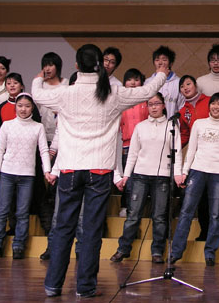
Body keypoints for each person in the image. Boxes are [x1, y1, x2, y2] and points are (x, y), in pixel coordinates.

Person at [34, 44, 168, 298]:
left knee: (63, 227)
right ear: (101, 65)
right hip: (99, 169)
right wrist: (162, 72)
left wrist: (40, 77)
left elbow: (37, 94)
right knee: (92, 229)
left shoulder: (65, 93)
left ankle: (53, 285)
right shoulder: (113, 92)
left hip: (70, 168)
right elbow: (148, 91)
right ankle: (85, 287)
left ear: (76, 66)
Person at [171, 93, 219, 266]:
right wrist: (184, 171)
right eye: (213, 103)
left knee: (216, 214)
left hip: (218, 174)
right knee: (186, 211)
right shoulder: (199, 124)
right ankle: (176, 252)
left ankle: (210, 252)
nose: (216, 107)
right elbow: (191, 150)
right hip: (197, 171)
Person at [110, 93, 182, 264]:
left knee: (159, 217)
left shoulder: (172, 126)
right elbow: (133, 153)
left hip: (162, 176)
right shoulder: (140, 127)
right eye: (150, 104)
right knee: (133, 215)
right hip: (140, 175)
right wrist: (126, 175)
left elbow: (177, 153)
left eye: (157, 103)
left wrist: (177, 174)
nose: (154, 107)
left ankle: (157, 251)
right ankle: (123, 249)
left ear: (163, 105)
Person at [0, 93, 52, 260]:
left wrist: (47, 171)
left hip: (27, 175)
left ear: (32, 108)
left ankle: (18, 246)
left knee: (22, 213)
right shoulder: (7, 125)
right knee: (2, 210)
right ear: (15, 107)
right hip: (7, 173)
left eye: (27, 106)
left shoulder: (38, 127)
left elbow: (44, 150)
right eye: (20, 105)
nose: (23, 109)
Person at [36, 53, 69, 241]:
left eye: (51, 65)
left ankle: (55, 223)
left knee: (55, 182)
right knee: (42, 182)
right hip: (42, 137)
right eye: (45, 65)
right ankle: (48, 223)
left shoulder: (66, 85)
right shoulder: (39, 86)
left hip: (61, 138)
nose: (47, 69)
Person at [117, 68, 148, 217]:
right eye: (129, 80)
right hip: (127, 146)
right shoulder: (120, 101)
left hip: (145, 146)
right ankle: (129, 210)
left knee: (142, 179)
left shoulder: (146, 100)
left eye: (136, 79)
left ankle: (139, 210)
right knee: (129, 179)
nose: (133, 83)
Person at [145, 45, 184, 118]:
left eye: (164, 60)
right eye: (157, 60)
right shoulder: (147, 82)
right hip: (151, 123)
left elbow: (182, 107)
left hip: (172, 123)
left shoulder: (179, 83)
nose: (160, 63)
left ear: (171, 63)